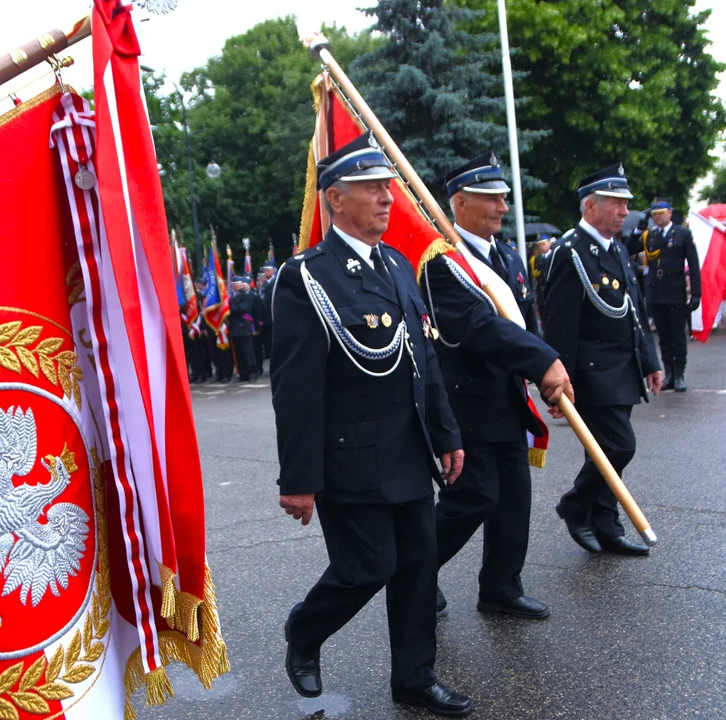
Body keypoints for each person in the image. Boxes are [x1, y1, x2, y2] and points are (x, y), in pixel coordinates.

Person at [271, 133, 473, 717]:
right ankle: (305, 630)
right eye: (372, 188)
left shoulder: (398, 266)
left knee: (415, 566)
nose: (388, 197)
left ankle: (415, 676)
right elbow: (296, 388)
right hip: (349, 453)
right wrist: (299, 477)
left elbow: (423, 360)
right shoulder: (306, 277)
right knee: (368, 567)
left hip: (408, 448)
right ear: (334, 198)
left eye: (388, 186)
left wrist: (447, 433)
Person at [421, 152, 572, 620]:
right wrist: (543, 361)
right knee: (471, 499)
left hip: (507, 398)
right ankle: (416, 575)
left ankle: (501, 587)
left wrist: (546, 370)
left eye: (504, 198)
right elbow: (478, 326)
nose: (503, 207)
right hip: (465, 402)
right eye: (492, 199)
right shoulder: (444, 261)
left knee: (513, 498)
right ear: (460, 203)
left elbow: (523, 324)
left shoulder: (506, 256)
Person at [540, 162, 663, 556]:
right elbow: (559, 324)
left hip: (622, 371)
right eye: (616, 203)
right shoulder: (569, 253)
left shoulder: (618, 251)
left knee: (610, 450)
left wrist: (649, 361)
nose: (626, 212)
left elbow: (634, 312)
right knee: (618, 446)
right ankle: (575, 506)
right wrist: (558, 383)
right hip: (591, 375)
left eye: (626, 204)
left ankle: (606, 522)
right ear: (590, 207)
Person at [637, 198, 700, 392]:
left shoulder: (682, 234)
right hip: (656, 291)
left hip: (675, 291)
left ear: (670, 213)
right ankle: (669, 373)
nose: (657, 217)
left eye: (661, 213)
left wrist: (696, 293)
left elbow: (694, 264)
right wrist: (640, 228)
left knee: (677, 335)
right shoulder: (650, 236)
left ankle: (680, 374)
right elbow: (632, 246)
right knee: (663, 336)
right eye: (654, 214)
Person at [228, 275, 260, 380]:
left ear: (242, 284)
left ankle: (253, 373)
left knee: (248, 352)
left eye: (237, 284)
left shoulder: (246, 295)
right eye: (233, 284)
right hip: (234, 328)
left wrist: (230, 311)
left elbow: (244, 308)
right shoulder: (231, 296)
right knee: (239, 353)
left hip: (244, 327)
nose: (235, 286)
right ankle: (243, 374)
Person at [259, 260, 277, 363]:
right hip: (265, 317)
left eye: (268, 270)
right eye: (265, 271)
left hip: (273, 315)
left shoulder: (276, 282)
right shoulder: (264, 283)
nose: (266, 273)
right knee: (268, 342)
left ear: (273, 271)